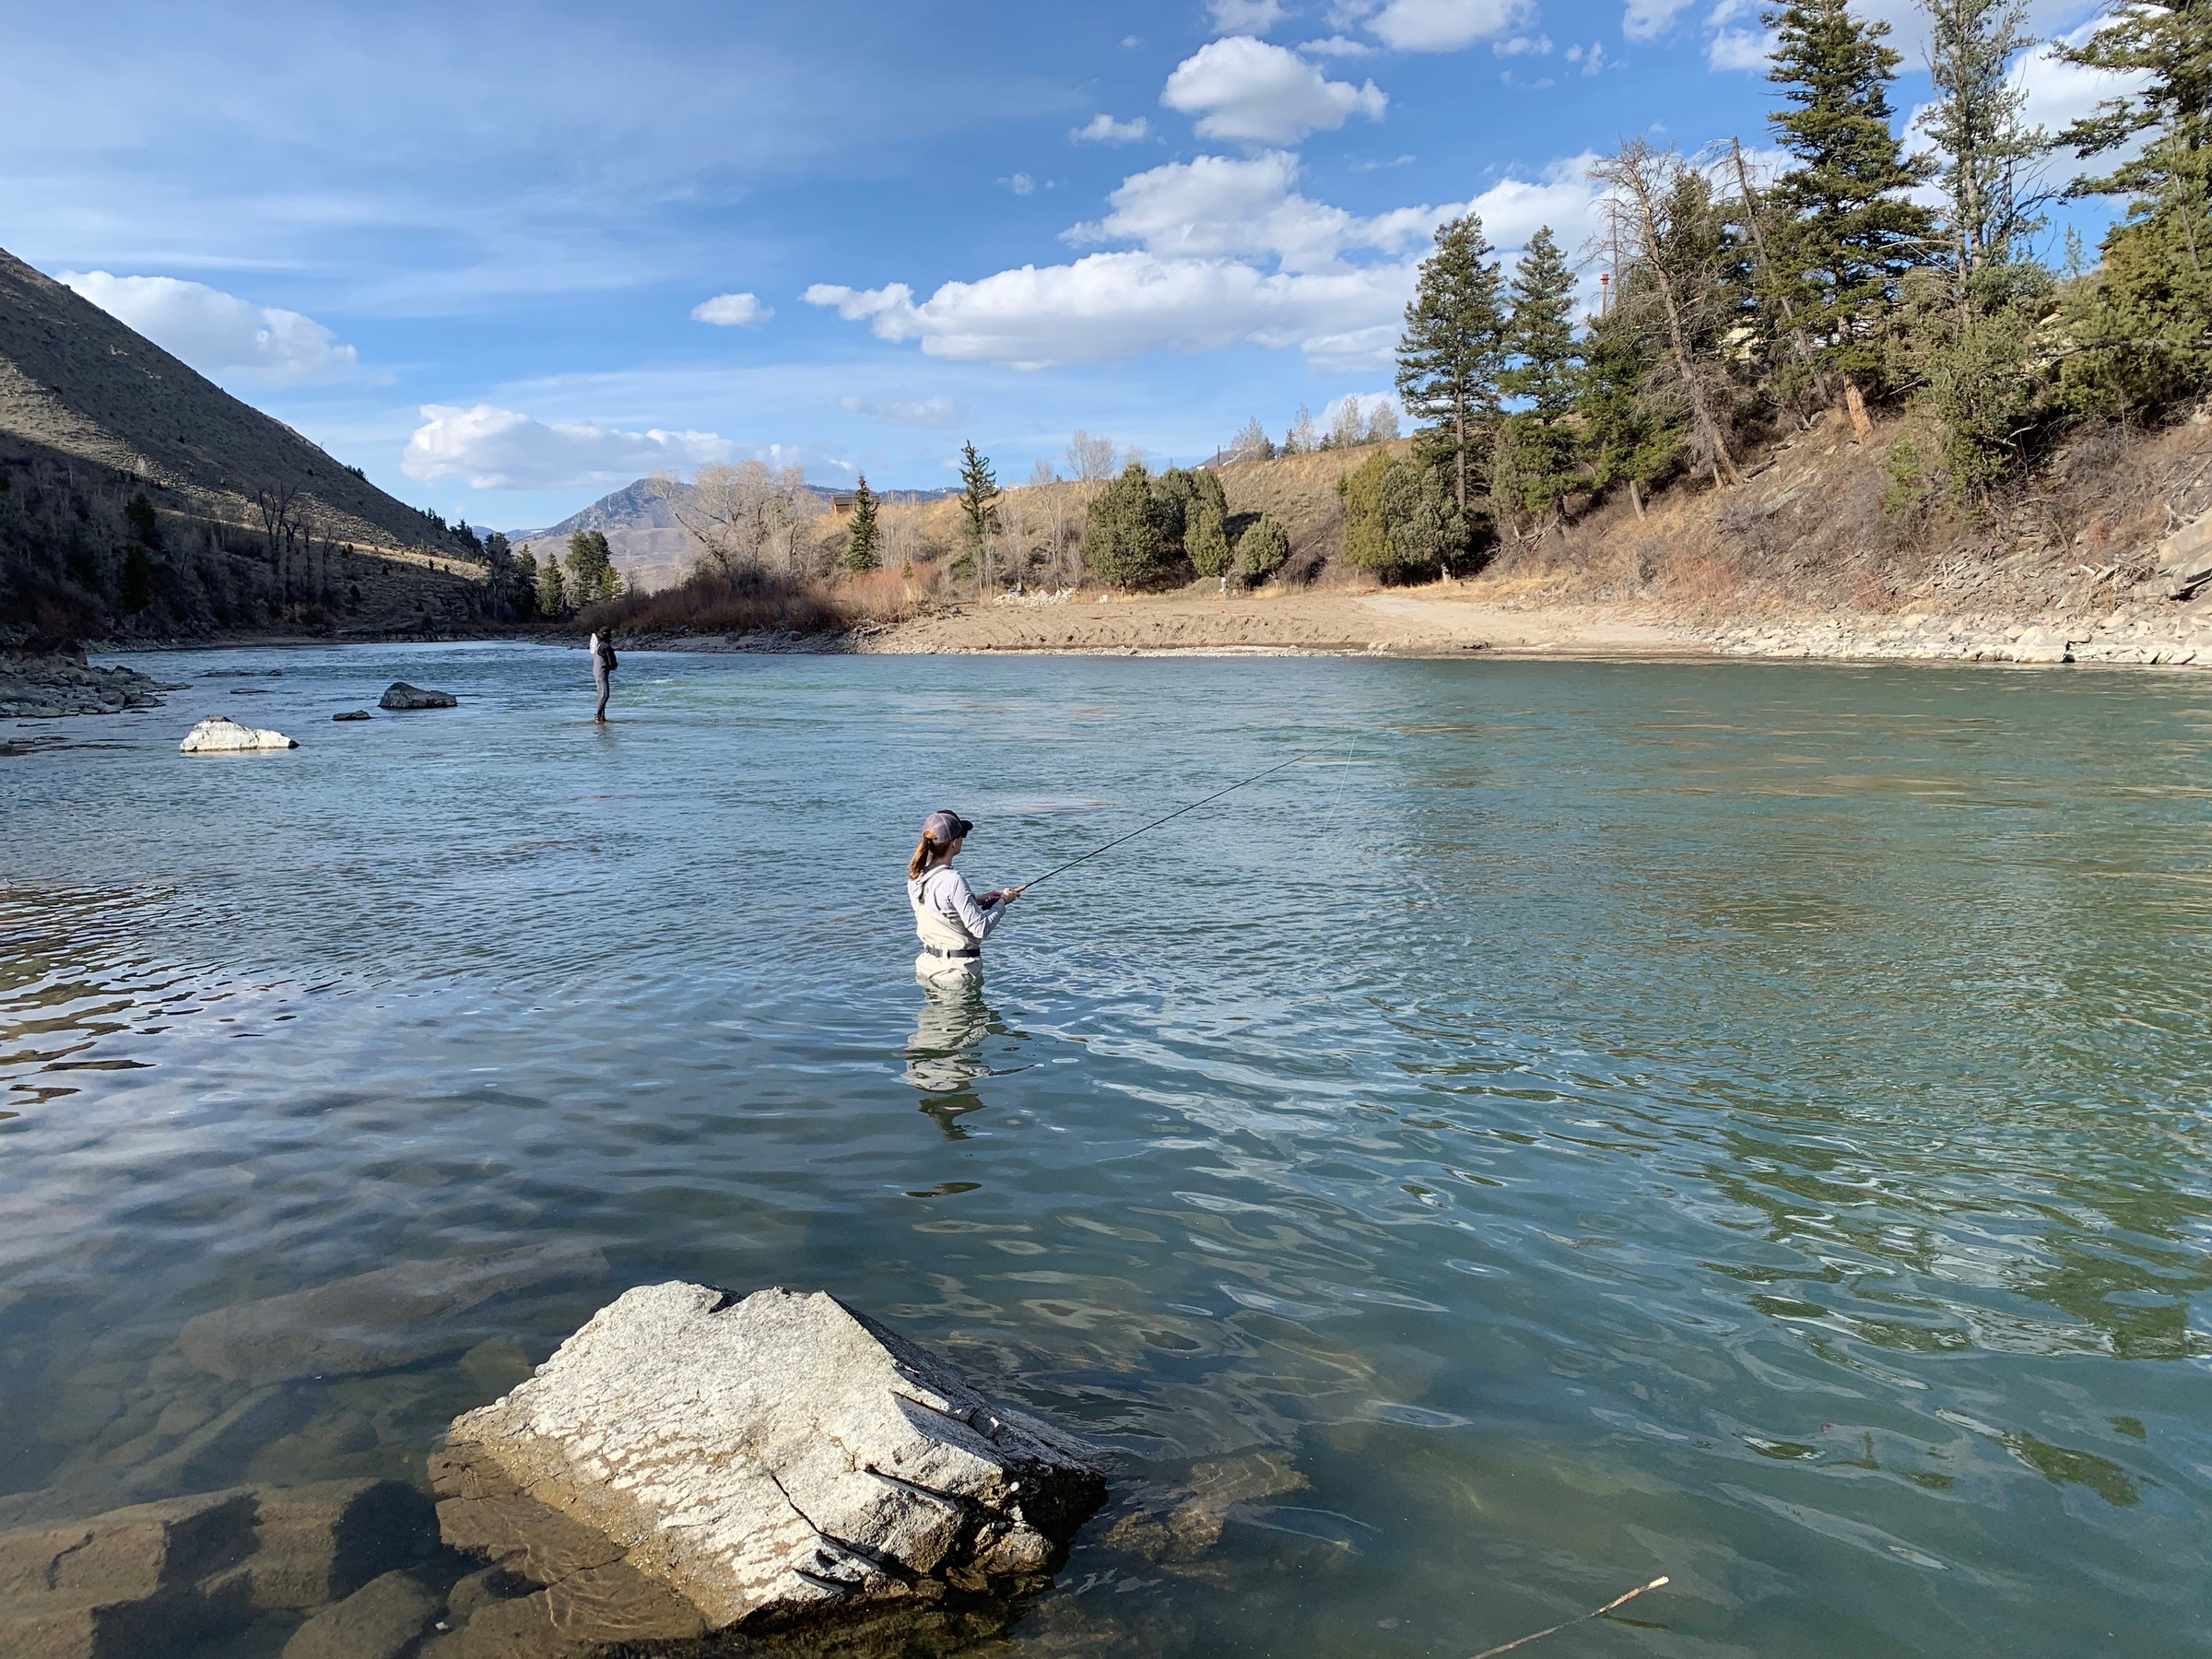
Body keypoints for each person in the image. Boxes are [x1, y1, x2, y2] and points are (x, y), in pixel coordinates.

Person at [906, 808, 1021, 983]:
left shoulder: (916, 876)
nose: (963, 840)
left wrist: (980, 899)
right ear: (953, 842)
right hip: (955, 974)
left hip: (927, 968)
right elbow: (980, 929)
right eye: (962, 835)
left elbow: (941, 908)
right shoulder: (953, 880)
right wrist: (1003, 902)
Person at [588, 630, 618, 722]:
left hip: (596, 671)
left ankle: (602, 717)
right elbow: (612, 663)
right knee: (605, 694)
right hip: (602, 672)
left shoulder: (598, 646)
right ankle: (598, 715)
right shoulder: (606, 647)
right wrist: (614, 665)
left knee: (601, 694)